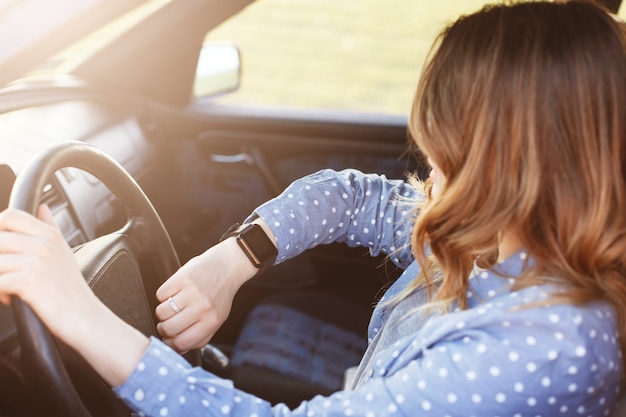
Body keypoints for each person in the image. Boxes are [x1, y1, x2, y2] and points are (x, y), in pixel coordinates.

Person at [0, 1, 625, 416]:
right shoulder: (506, 239)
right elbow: (353, 198)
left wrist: (79, 312)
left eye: (446, 151)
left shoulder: (547, 347)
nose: (429, 168)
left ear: (513, 164)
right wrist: (234, 259)